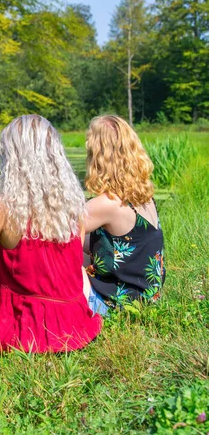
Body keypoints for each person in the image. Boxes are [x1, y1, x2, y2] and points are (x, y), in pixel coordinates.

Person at [0, 115, 102, 367]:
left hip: (29, 335)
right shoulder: (74, 206)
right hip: (72, 327)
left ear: (12, 159)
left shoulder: (3, 208)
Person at [82, 115, 165, 316]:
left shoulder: (106, 204)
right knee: (81, 249)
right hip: (146, 298)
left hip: (118, 306)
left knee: (57, 253)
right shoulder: (144, 195)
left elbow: (60, 239)